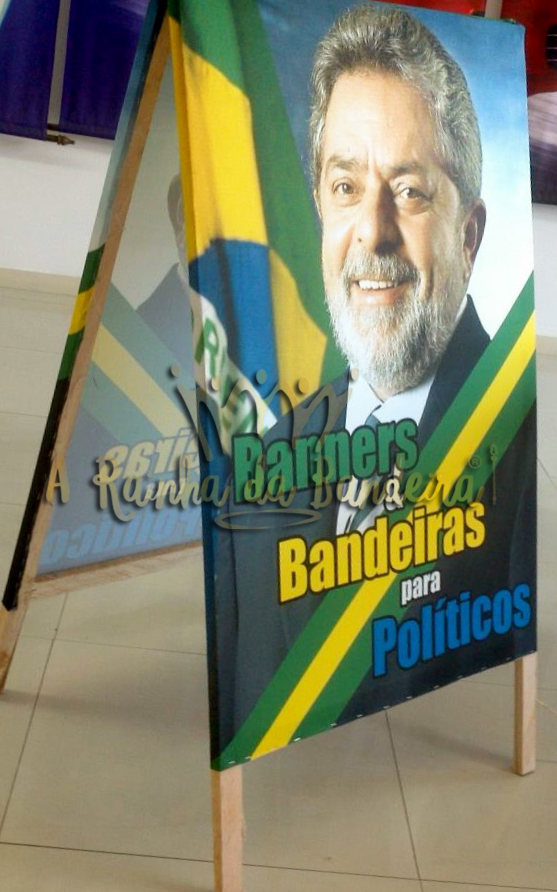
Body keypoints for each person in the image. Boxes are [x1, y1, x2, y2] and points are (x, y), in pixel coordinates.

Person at [209, 4, 536, 758]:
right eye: (346, 187)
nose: (374, 232)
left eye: (410, 191)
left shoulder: (517, 443)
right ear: (320, 209)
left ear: (470, 234)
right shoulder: (265, 465)